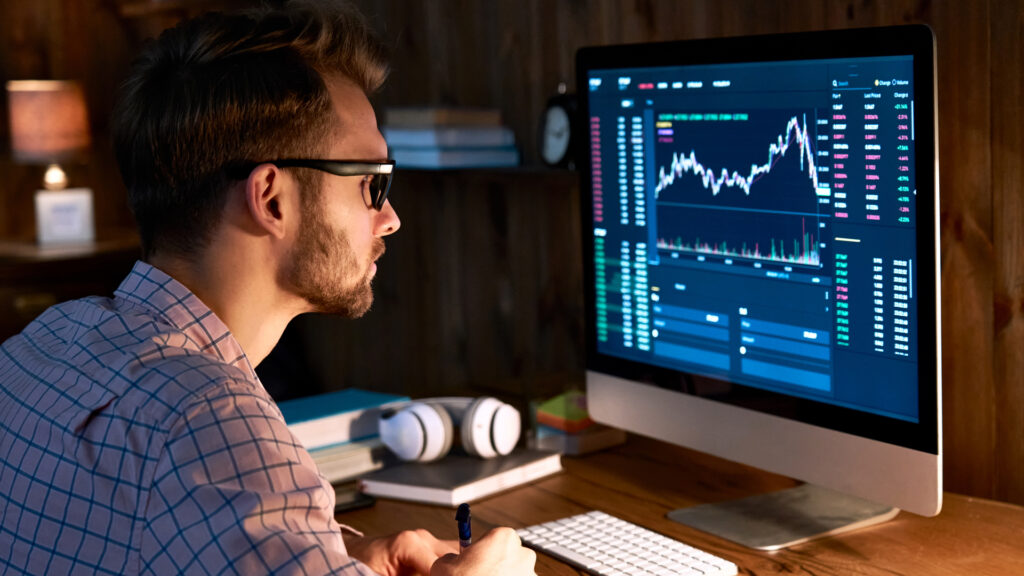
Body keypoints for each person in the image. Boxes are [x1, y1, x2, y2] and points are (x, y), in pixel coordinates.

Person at [0, 3, 536, 575]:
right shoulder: (212, 419)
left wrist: (338, 554)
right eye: (371, 184)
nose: (390, 218)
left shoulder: (41, 344)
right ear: (272, 199)